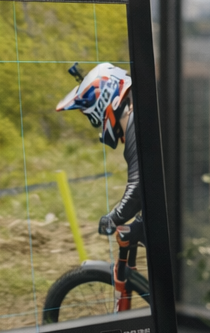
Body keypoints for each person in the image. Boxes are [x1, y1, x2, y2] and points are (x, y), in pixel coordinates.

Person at [55, 62, 145, 241]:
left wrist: (112, 218)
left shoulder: (136, 123)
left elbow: (138, 187)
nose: (96, 124)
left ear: (104, 103)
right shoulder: (141, 117)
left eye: (93, 118)